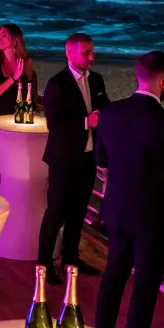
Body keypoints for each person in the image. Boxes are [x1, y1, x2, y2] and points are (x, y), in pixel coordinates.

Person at [93, 51, 164, 328]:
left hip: (117, 208)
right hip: (154, 217)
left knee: (114, 276)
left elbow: (102, 158)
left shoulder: (111, 112)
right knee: (145, 286)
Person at [36, 32, 107, 281]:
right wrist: (86, 121)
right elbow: (55, 125)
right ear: (69, 53)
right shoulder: (57, 84)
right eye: (86, 52)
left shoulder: (96, 80)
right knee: (56, 212)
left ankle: (70, 259)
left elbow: (105, 110)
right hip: (63, 159)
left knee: (78, 212)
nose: (92, 57)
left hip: (88, 156)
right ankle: (44, 265)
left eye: (92, 51)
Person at [0, 23, 37, 118]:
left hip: (20, 116)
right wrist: (13, 78)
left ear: (15, 39)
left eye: (3, 36)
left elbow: (30, 91)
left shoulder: (27, 62)